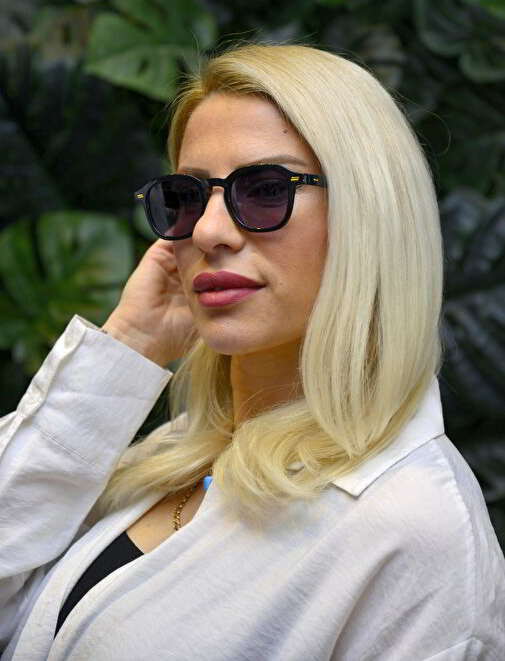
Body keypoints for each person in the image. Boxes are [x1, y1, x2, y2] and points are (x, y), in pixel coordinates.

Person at [0, 43, 504, 660]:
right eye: (187, 196)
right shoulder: (172, 456)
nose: (208, 230)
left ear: (368, 216)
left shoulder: (414, 526)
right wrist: (130, 342)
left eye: (265, 189)